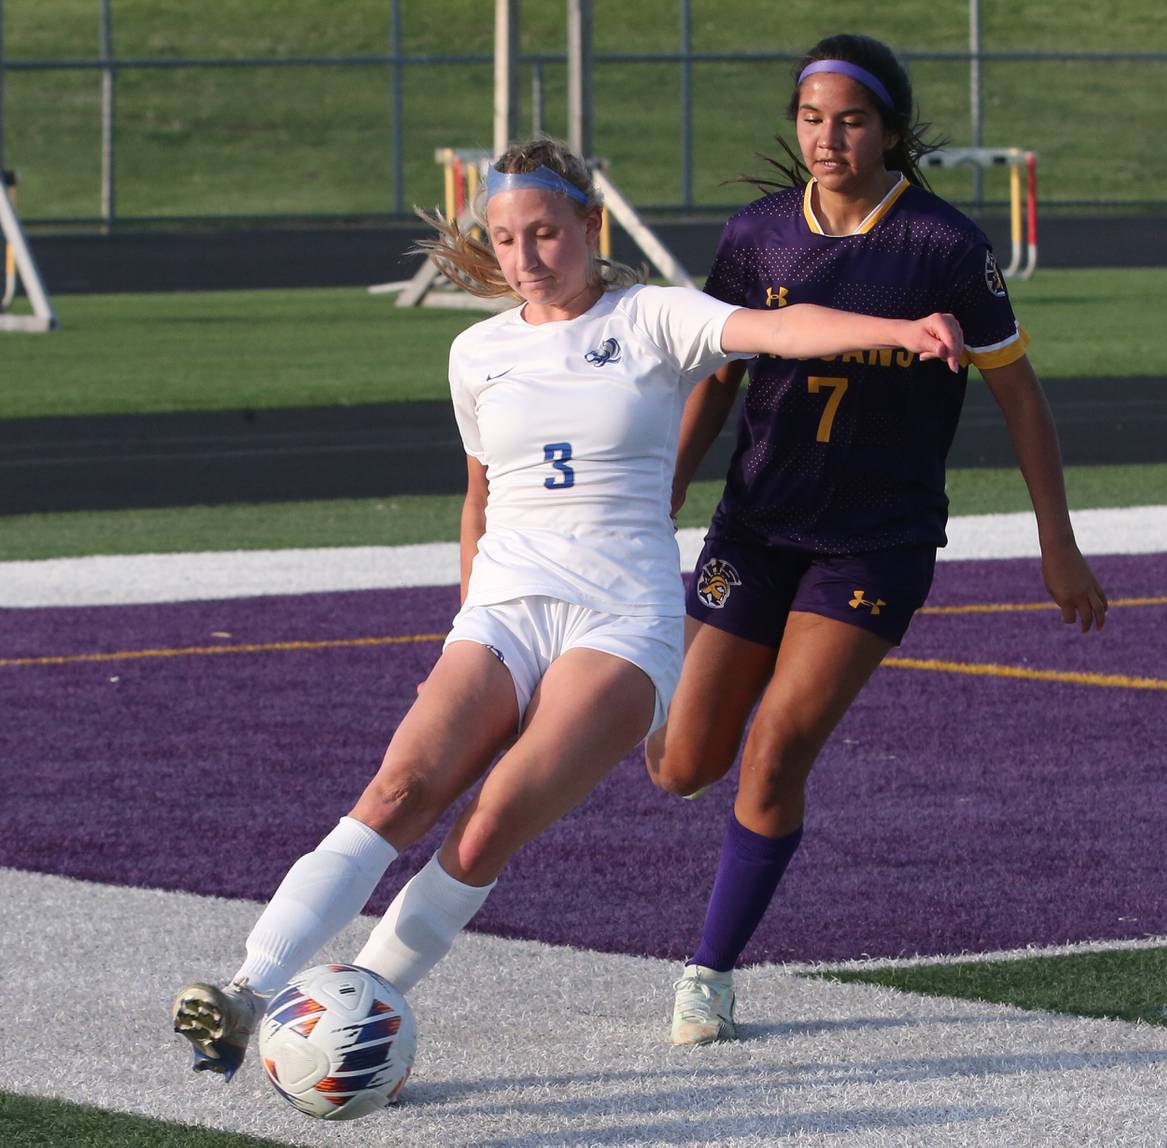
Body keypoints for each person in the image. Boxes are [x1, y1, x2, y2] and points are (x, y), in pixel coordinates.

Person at [170, 135, 965, 1080]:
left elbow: (778, 330)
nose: (524, 258)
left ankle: (359, 1011)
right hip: (503, 613)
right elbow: (479, 498)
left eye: (544, 233)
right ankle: (249, 991)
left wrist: (896, 329)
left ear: (590, 225)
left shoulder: (653, 317)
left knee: (489, 818)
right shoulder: (476, 353)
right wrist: (470, 626)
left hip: (619, 624)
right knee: (396, 793)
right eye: (505, 240)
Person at [645, 34, 1109, 1046]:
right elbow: (718, 375)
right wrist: (664, 490)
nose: (827, 138)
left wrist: (1056, 542)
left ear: (891, 131)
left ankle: (709, 972)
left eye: (850, 120)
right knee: (681, 764)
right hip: (756, 527)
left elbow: (1021, 399)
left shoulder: (944, 247)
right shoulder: (758, 236)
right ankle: (632, 708)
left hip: (875, 543)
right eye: (811, 118)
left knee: (777, 749)